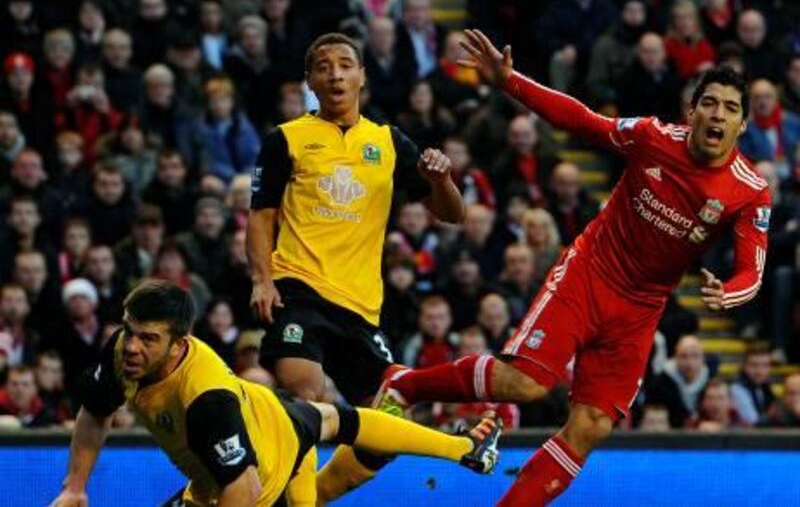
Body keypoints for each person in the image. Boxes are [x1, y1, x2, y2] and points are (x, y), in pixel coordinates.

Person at [368, 30, 771, 505]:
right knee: (526, 384)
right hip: (591, 271)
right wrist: (509, 81)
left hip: (642, 307)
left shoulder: (749, 190)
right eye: (710, 103)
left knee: (592, 425)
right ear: (692, 111)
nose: (717, 114)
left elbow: (753, 270)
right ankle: (405, 382)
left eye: (729, 108)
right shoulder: (652, 138)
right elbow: (585, 121)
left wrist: (729, 292)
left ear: (743, 125)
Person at [49, 280, 502, 507]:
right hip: (267, 412)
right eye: (130, 332)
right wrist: (75, 487)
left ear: (178, 345)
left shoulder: (205, 402)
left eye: (148, 339)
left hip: (260, 474)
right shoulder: (122, 351)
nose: (132, 346)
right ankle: (464, 448)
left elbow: (242, 492)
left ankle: (460, 448)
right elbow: (94, 412)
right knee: (333, 419)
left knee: (326, 466)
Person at [246, 32, 465, 500]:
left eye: (345, 64)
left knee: (387, 426)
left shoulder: (387, 143)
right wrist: (262, 279)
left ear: (362, 75)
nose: (335, 74)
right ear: (310, 80)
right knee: (305, 395)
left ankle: (310, 495)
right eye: (323, 66)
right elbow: (261, 216)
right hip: (298, 289)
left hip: (362, 307)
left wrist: (441, 180)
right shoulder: (286, 139)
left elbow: (452, 214)